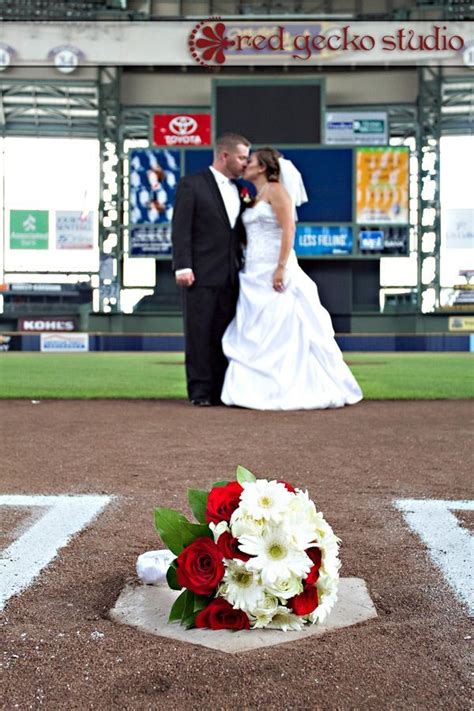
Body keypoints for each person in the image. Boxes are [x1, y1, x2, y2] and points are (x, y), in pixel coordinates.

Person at [221, 147, 363, 410]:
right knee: (256, 329)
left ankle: (287, 386)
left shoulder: (276, 190)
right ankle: (257, 389)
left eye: (249, 161)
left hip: (273, 269)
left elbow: (289, 228)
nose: (245, 166)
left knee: (284, 326)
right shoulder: (256, 195)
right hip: (253, 270)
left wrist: (280, 267)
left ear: (262, 167)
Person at [172, 133, 251, 406]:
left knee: (225, 335)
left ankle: (221, 391)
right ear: (225, 156)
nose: (245, 163)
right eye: (242, 157)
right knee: (199, 334)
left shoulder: (241, 191)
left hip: (232, 276)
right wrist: (183, 266)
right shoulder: (191, 185)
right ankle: (200, 393)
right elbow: (180, 230)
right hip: (199, 274)